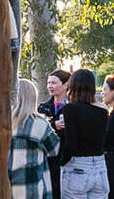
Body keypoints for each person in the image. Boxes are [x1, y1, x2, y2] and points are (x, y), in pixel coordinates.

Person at [57, 69, 109, 199]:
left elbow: (71, 144)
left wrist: (61, 162)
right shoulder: (102, 111)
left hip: (77, 166)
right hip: (99, 166)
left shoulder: (70, 109)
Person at [10, 79, 60, 199]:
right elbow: (55, 149)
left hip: (6, 185)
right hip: (31, 187)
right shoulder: (39, 124)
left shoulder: (2, 122)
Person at [36, 69, 72, 199]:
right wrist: (53, 125)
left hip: (66, 159)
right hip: (47, 158)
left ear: (65, 85)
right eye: (48, 82)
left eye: (54, 83)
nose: (50, 86)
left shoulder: (72, 108)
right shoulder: (42, 108)